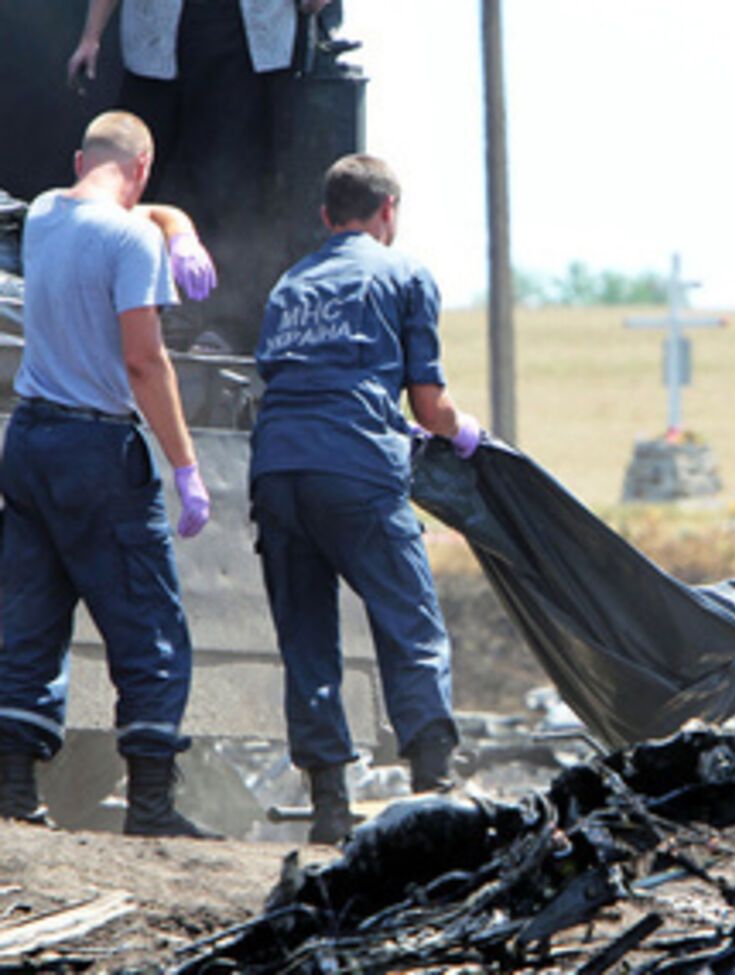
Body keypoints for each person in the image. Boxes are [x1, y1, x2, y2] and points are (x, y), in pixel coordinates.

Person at [249, 153, 481, 845]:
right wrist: (463, 432)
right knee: (410, 622)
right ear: (388, 211)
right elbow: (430, 404)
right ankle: (434, 784)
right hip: (355, 470)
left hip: (277, 471)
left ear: (325, 217)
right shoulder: (403, 272)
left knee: (307, 637)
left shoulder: (288, 284)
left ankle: (327, 805)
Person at [0, 111, 217, 837]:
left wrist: (177, 228)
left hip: (29, 441)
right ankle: (151, 806)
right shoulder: (131, 239)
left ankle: (14, 795)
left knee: (29, 615)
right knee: (148, 622)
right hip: (99, 448)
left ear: (77, 160)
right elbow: (144, 362)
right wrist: (186, 467)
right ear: (144, 168)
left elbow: (120, 202)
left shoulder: (42, 217)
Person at [66, 0, 334, 348]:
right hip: (158, 42)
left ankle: (229, 323)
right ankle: (127, 312)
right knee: (136, 180)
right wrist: (91, 37)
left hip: (245, 45)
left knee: (236, 188)